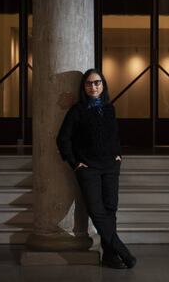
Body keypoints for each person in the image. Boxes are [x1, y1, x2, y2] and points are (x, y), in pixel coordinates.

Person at [56, 68, 136, 269]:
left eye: (97, 82)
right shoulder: (77, 110)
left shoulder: (109, 108)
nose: (94, 86)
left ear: (103, 85)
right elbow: (63, 139)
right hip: (88, 168)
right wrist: (75, 163)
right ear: (84, 87)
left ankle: (109, 256)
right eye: (89, 83)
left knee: (110, 210)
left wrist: (118, 156)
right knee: (96, 210)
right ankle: (121, 250)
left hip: (110, 166)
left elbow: (114, 136)